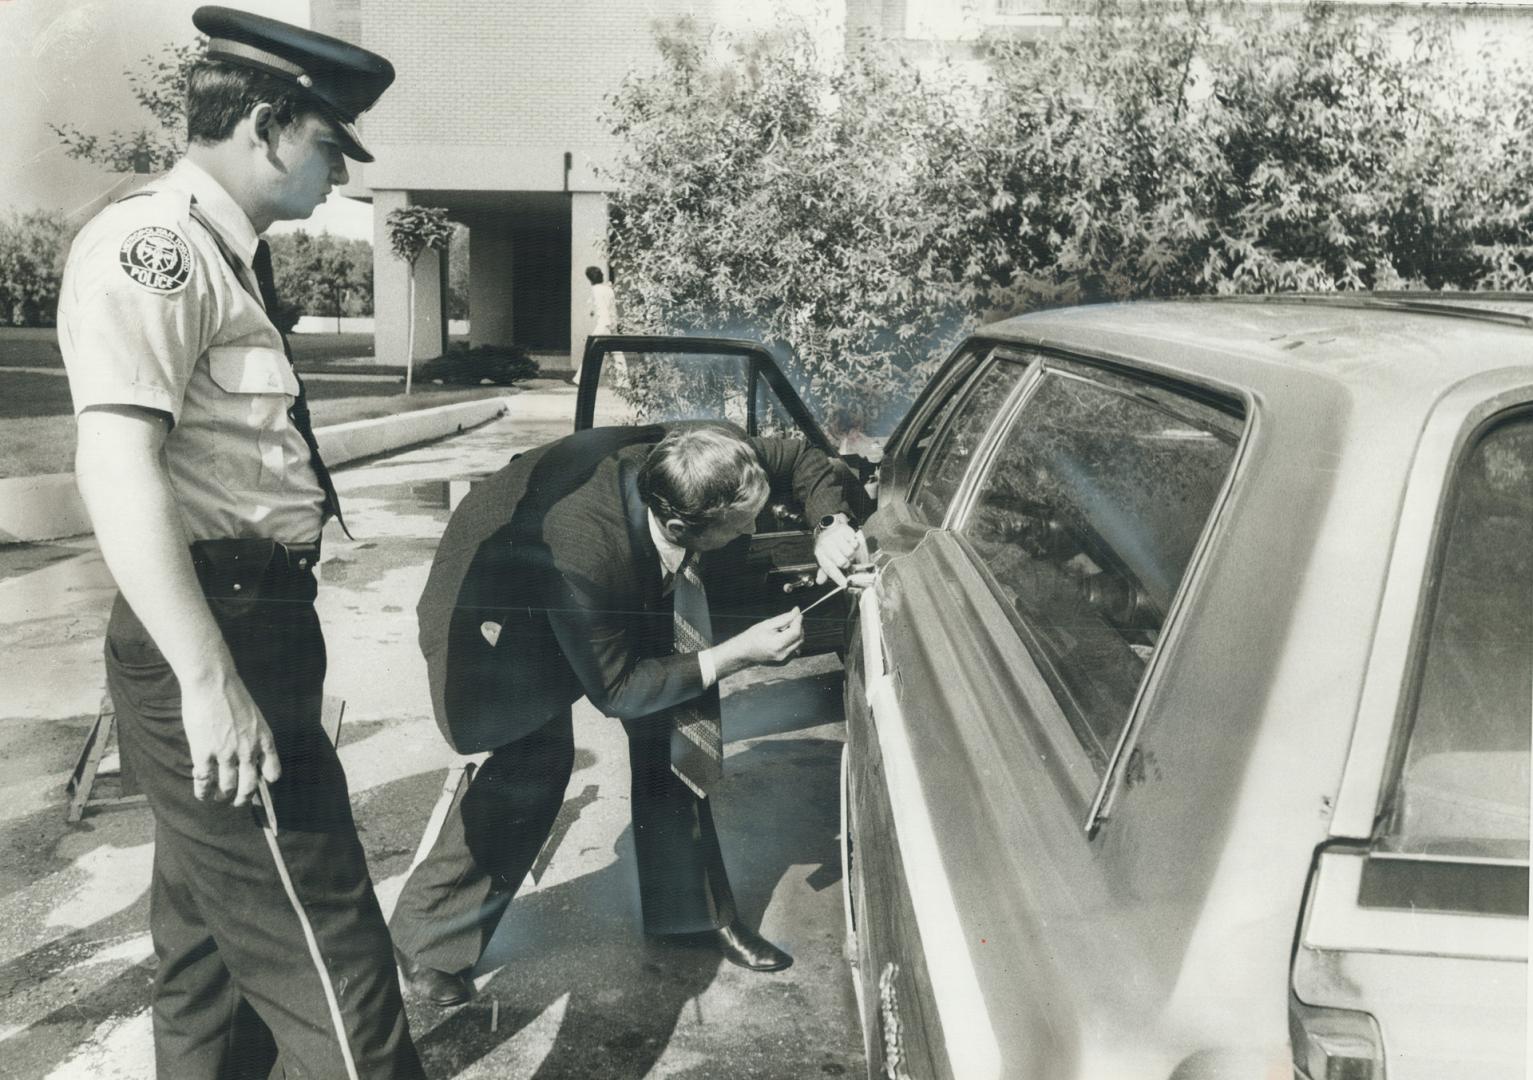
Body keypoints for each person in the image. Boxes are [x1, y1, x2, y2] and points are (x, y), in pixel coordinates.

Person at [57, 8, 423, 1078]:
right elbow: (115, 467)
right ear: (268, 126)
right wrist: (208, 678)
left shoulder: (224, 253)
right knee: (331, 953)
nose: (336, 179)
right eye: (327, 147)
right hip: (213, 638)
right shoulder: (153, 246)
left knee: (212, 959)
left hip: (252, 623)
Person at [390, 423, 862, 1005]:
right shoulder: (581, 550)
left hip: (608, 565)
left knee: (671, 728)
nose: (758, 528)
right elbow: (617, 689)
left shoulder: (710, 459)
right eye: (743, 525)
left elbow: (803, 460)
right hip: (500, 602)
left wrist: (828, 526)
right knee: (534, 760)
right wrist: (738, 653)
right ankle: (427, 941)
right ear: (683, 526)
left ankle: (690, 916)